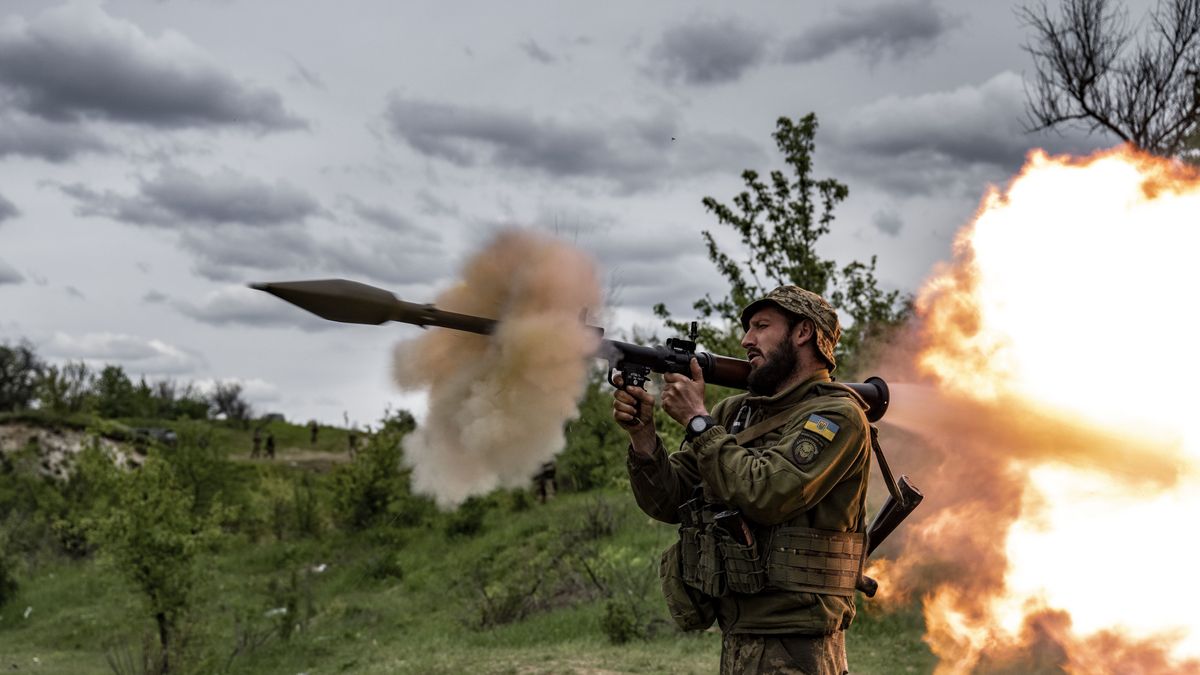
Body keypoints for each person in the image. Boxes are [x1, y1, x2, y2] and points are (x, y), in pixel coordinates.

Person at [612, 286, 871, 675]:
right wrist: (643, 435)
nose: (746, 340)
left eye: (761, 326)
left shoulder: (836, 417)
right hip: (739, 632)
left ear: (803, 333)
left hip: (798, 641)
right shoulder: (735, 412)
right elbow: (670, 502)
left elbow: (769, 492)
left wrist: (698, 421)